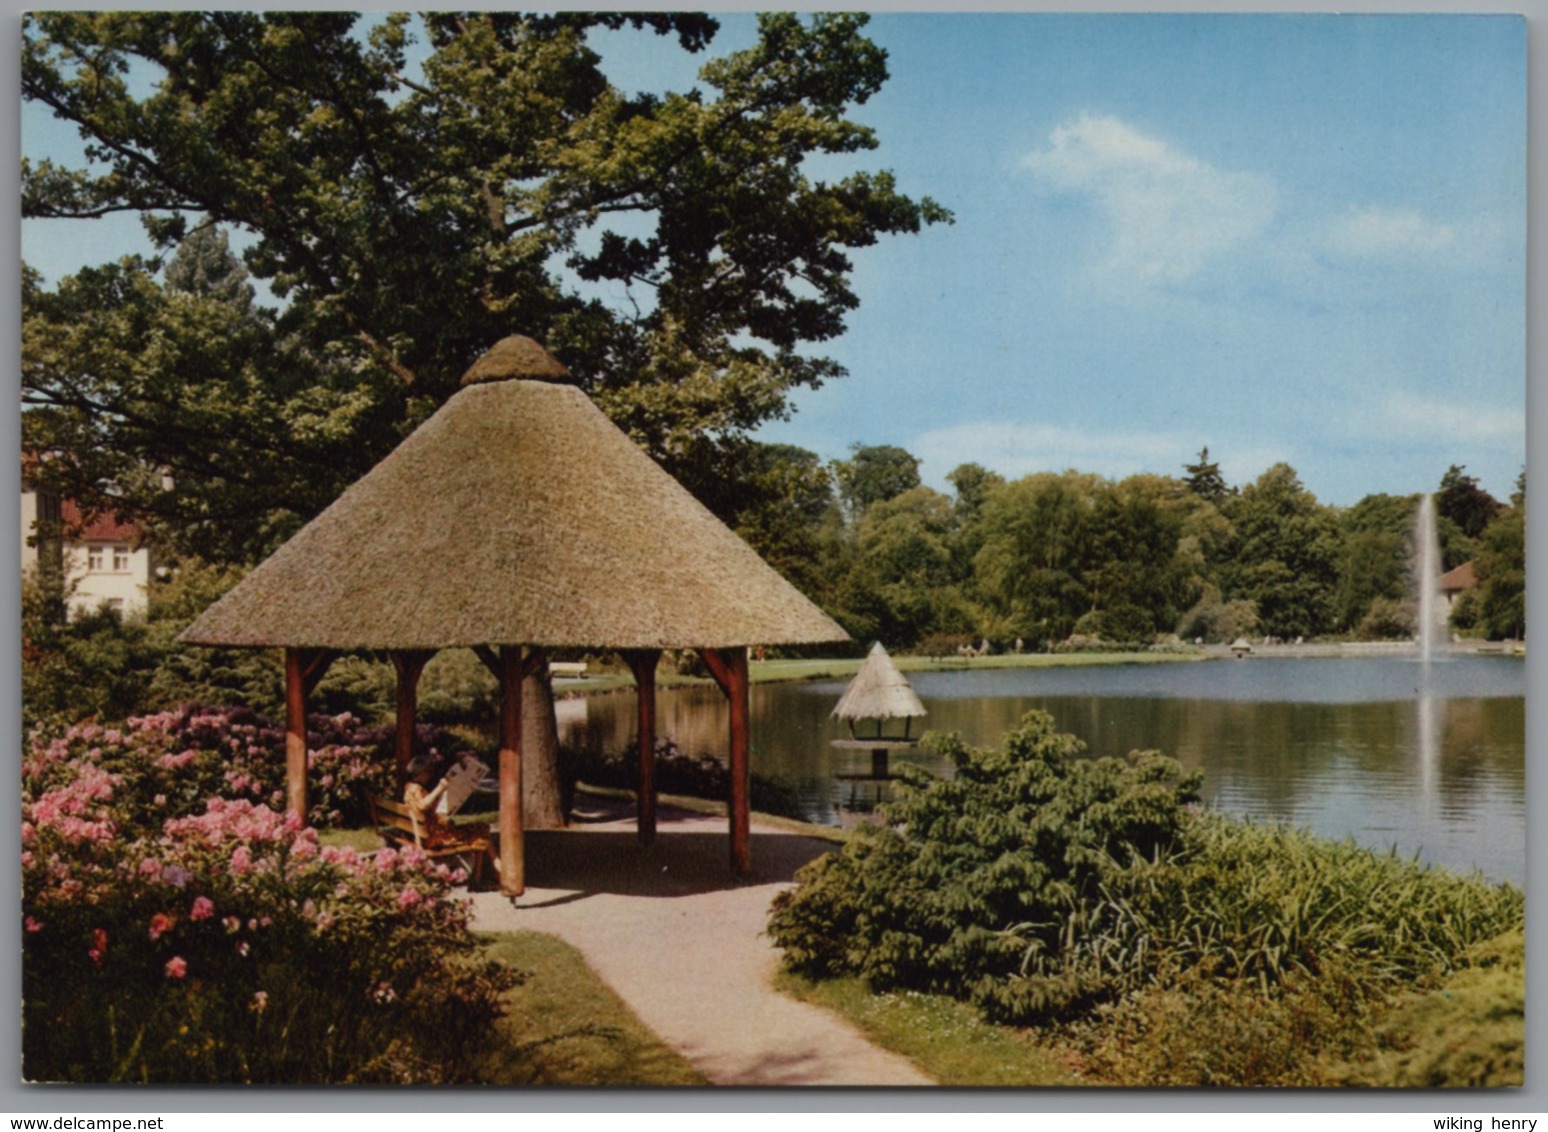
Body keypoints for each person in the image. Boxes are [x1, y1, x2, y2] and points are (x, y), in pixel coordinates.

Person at [402, 754, 497, 885]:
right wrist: (440, 788)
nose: (430, 775)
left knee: (480, 828)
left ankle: (482, 874)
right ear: (420, 772)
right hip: (436, 837)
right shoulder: (415, 789)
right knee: (482, 829)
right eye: (428, 772)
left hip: (432, 833)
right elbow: (422, 805)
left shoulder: (409, 788)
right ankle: (487, 872)